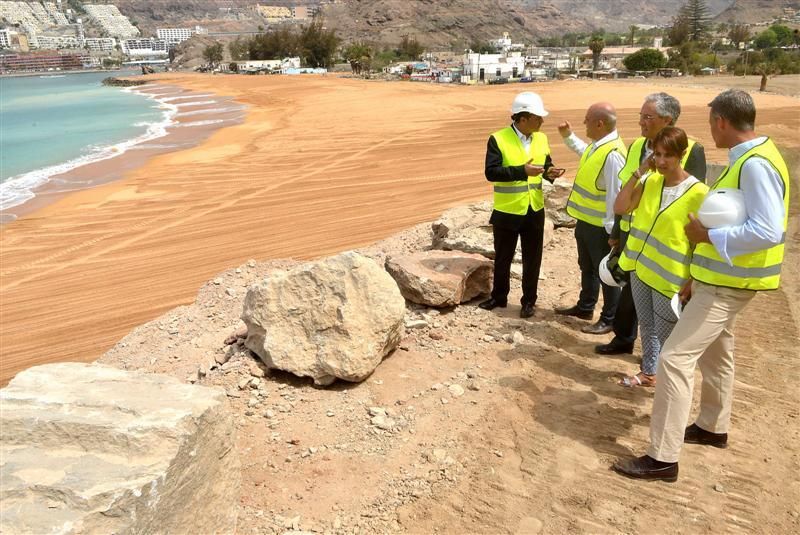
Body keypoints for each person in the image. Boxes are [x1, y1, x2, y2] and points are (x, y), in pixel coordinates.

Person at [613, 89, 790, 482]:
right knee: (717, 354)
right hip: (718, 279)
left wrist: (708, 238)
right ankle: (712, 426)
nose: (709, 130)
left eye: (711, 122)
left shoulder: (755, 164)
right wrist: (697, 273)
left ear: (721, 121)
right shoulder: (749, 159)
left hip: (729, 283)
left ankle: (662, 458)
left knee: (674, 360)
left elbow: (768, 231)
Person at [596, 93, 707, 356]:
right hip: (633, 235)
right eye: (641, 116)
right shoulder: (637, 147)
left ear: (667, 120)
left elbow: (695, 203)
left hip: (666, 244)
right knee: (630, 296)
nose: (641, 123)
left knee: (660, 310)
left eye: (647, 117)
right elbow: (626, 192)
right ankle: (624, 340)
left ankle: (656, 360)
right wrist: (616, 230)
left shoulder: (692, 149)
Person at [613, 126, 709, 387]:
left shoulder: (699, 193)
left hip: (670, 279)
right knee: (647, 327)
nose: (662, 161)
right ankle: (649, 373)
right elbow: (620, 207)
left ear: (682, 154)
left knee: (669, 336)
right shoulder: (650, 181)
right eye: (657, 154)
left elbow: (701, 244)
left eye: (669, 155)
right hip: (641, 270)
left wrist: (692, 279)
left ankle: (671, 385)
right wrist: (640, 171)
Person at [480, 92, 564, 319]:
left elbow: (546, 164)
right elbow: (491, 172)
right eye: (538, 117)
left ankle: (529, 301)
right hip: (507, 210)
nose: (542, 121)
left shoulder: (542, 138)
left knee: (532, 259)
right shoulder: (498, 139)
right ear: (523, 118)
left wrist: (550, 173)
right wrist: (521, 171)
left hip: (534, 209)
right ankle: (499, 297)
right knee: (503, 257)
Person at [555, 103, 626, 334]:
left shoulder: (613, 154)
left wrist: (612, 231)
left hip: (601, 228)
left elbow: (616, 195)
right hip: (586, 222)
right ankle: (585, 307)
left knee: (605, 272)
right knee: (587, 266)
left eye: (587, 120)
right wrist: (568, 137)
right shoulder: (598, 147)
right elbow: (583, 151)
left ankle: (609, 318)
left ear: (600, 123)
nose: (584, 123)